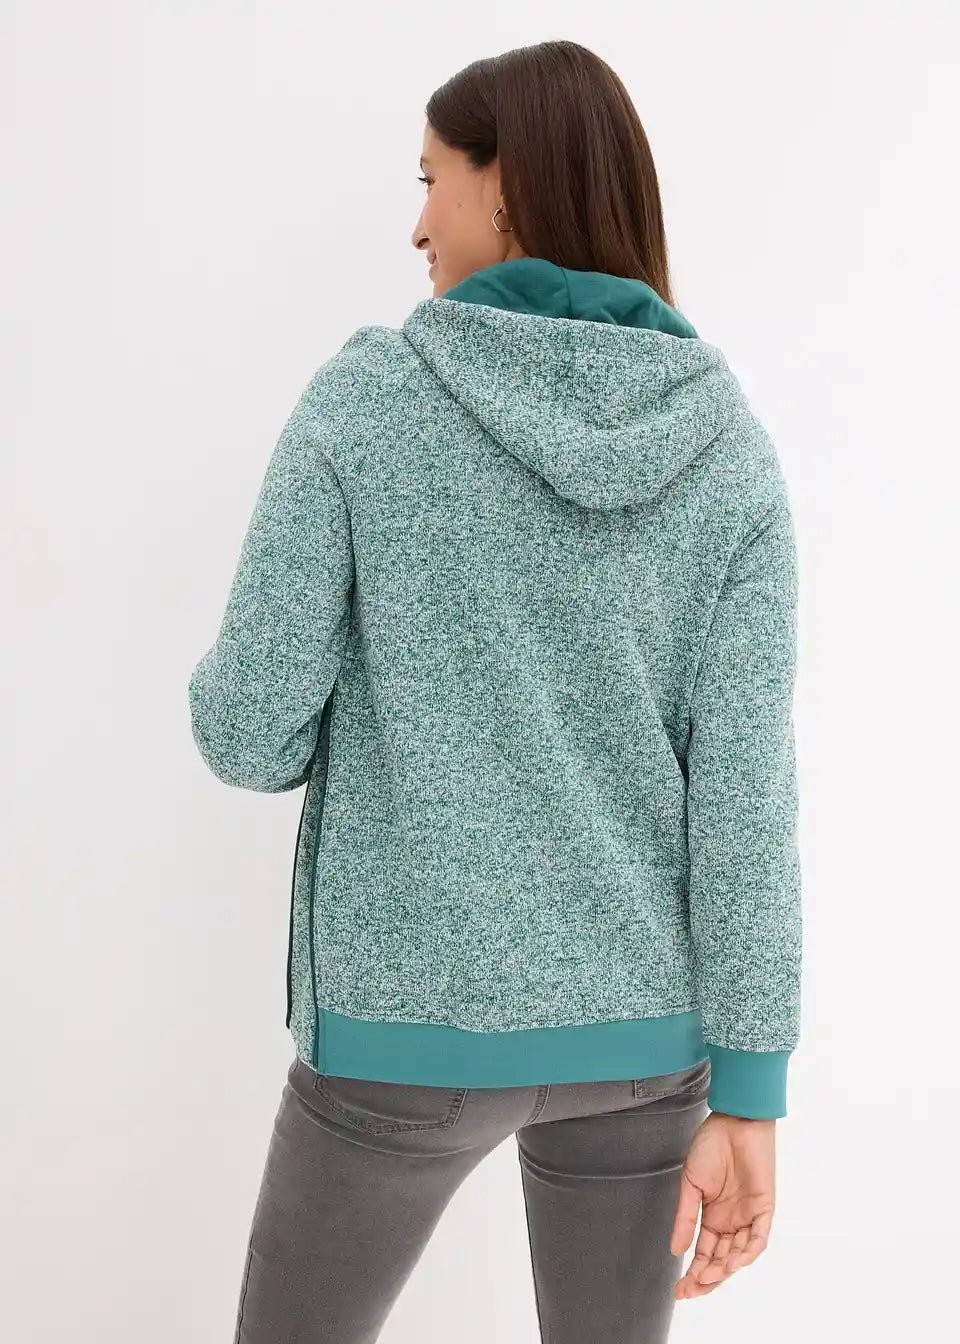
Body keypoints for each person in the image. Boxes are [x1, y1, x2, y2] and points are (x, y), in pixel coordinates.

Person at [188, 39, 802, 1344]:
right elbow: (745, 806)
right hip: (648, 1045)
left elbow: (246, 734)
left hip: (403, 1032)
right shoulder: (728, 451)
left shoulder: (369, 404)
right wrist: (751, 1092)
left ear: (505, 185)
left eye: (432, 179)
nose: (418, 225)